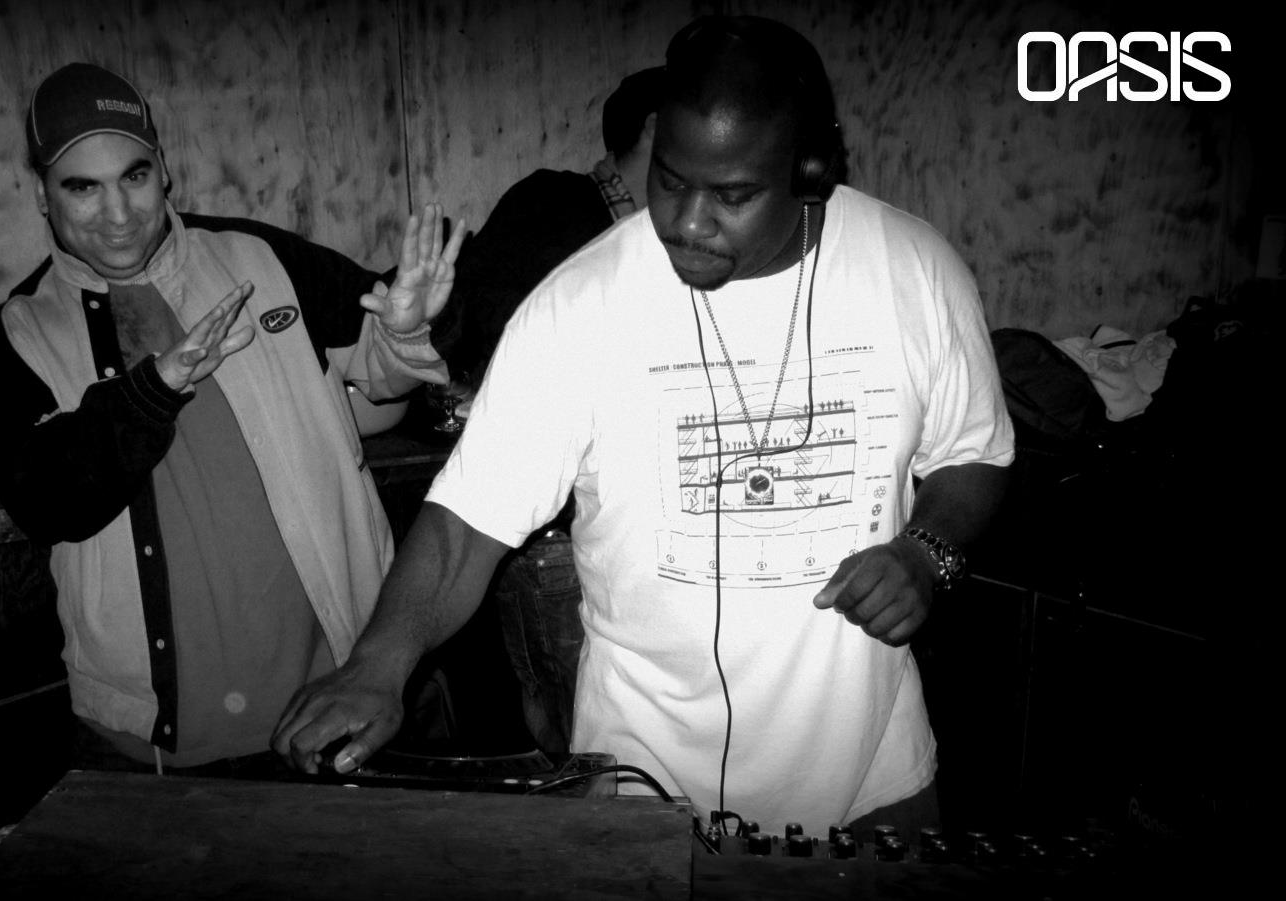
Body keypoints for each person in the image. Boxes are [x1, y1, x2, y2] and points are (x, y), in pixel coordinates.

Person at [272, 15, 1013, 836]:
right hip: (643, 793)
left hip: (876, 784)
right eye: (670, 180)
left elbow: (974, 452)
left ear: (811, 169)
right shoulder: (580, 302)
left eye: (732, 195)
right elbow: (467, 519)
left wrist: (925, 552)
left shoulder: (915, 271)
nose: (687, 222)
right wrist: (378, 663)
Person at [0, 62, 463, 772]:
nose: (118, 213)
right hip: (160, 743)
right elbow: (45, 500)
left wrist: (407, 331)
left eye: (134, 176)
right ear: (42, 195)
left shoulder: (259, 257)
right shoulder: (21, 331)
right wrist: (153, 390)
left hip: (342, 691)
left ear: (164, 169)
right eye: (83, 187)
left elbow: (382, 380)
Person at [447, 66, 665, 754]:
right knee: (581, 745)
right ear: (657, 128)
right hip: (555, 540)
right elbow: (494, 344)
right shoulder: (556, 205)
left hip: (619, 531)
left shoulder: (659, 228)